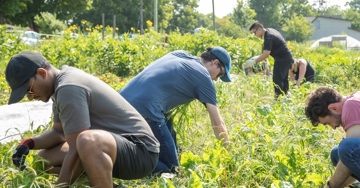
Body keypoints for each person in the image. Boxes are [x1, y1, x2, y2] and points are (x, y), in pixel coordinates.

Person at [6, 51, 159, 187]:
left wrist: (61, 185)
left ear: (42, 73)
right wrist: (29, 143)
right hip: (116, 148)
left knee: (86, 140)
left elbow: (76, 148)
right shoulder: (59, 86)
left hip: (140, 152)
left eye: (29, 90)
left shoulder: (68, 87)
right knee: (44, 160)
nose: (30, 97)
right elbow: (59, 133)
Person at [120, 46, 231, 174]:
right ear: (215, 63)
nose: (216, 79)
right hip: (144, 112)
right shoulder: (204, 77)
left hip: (119, 104)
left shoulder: (178, 54)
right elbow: (218, 124)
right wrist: (228, 153)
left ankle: (172, 153)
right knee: (171, 170)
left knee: (166, 116)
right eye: (220, 74)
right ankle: (123, 156)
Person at [305, 86, 360, 187]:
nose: (334, 128)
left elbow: (350, 153)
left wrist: (331, 185)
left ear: (333, 108)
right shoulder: (355, 99)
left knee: (346, 148)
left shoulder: (350, 106)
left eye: (328, 123)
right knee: (336, 153)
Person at [247, 21, 294, 98]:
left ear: (259, 29)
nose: (254, 35)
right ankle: (285, 97)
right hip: (287, 57)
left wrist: (254, 62)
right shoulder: (270, 30)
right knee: (283, 79)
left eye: (254, 33)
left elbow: (266, 54)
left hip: (282, 59)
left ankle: (278, 99)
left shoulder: (268, 37)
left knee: (277, 80)